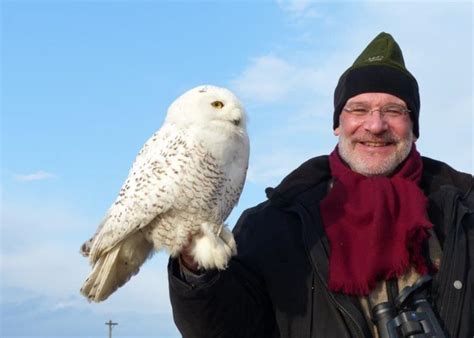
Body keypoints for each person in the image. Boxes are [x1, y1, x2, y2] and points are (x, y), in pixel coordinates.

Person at [167, 32, 473, 338]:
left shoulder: (465, 213)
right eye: (359, 109)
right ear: (338, 124)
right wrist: (196, 269)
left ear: (413, 128)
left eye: (394, 111)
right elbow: (224, 330)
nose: (376, 125)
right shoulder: (275, 224)